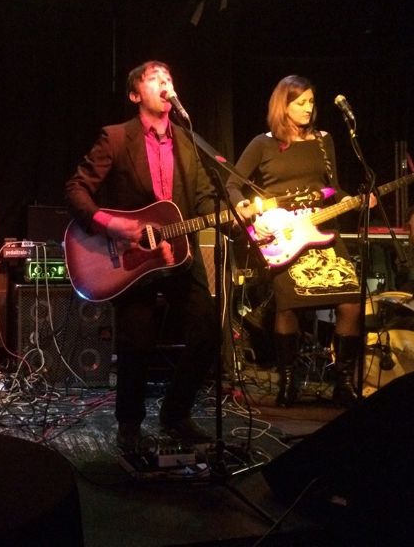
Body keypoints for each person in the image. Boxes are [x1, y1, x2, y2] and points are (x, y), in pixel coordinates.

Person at [65, 61, 218, 450]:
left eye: (169, 77)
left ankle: (175, 414)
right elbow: (76, 190)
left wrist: (235, 217)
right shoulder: (116, 138)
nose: (165, 81)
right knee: (137, 341)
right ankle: (130, 425)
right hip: (130, 258)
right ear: (136, 94)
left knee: (208, 331)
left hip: (179, 254)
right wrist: (110, 224)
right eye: (154, 78)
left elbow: (203, 197)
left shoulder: (189, 141)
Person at [226, 74, 375, 408]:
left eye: (311, 102)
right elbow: (232, 184)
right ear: (284, 105)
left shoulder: (324, 140)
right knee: (288, 305)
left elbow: (332, 187)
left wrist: (352, 200)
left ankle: (343, 383)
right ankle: (288, 382)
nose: (309, 108)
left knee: (351, 301)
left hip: (322, 230)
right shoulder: (262, 143)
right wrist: (245, 208)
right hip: (284, 235)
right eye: (301, 102)